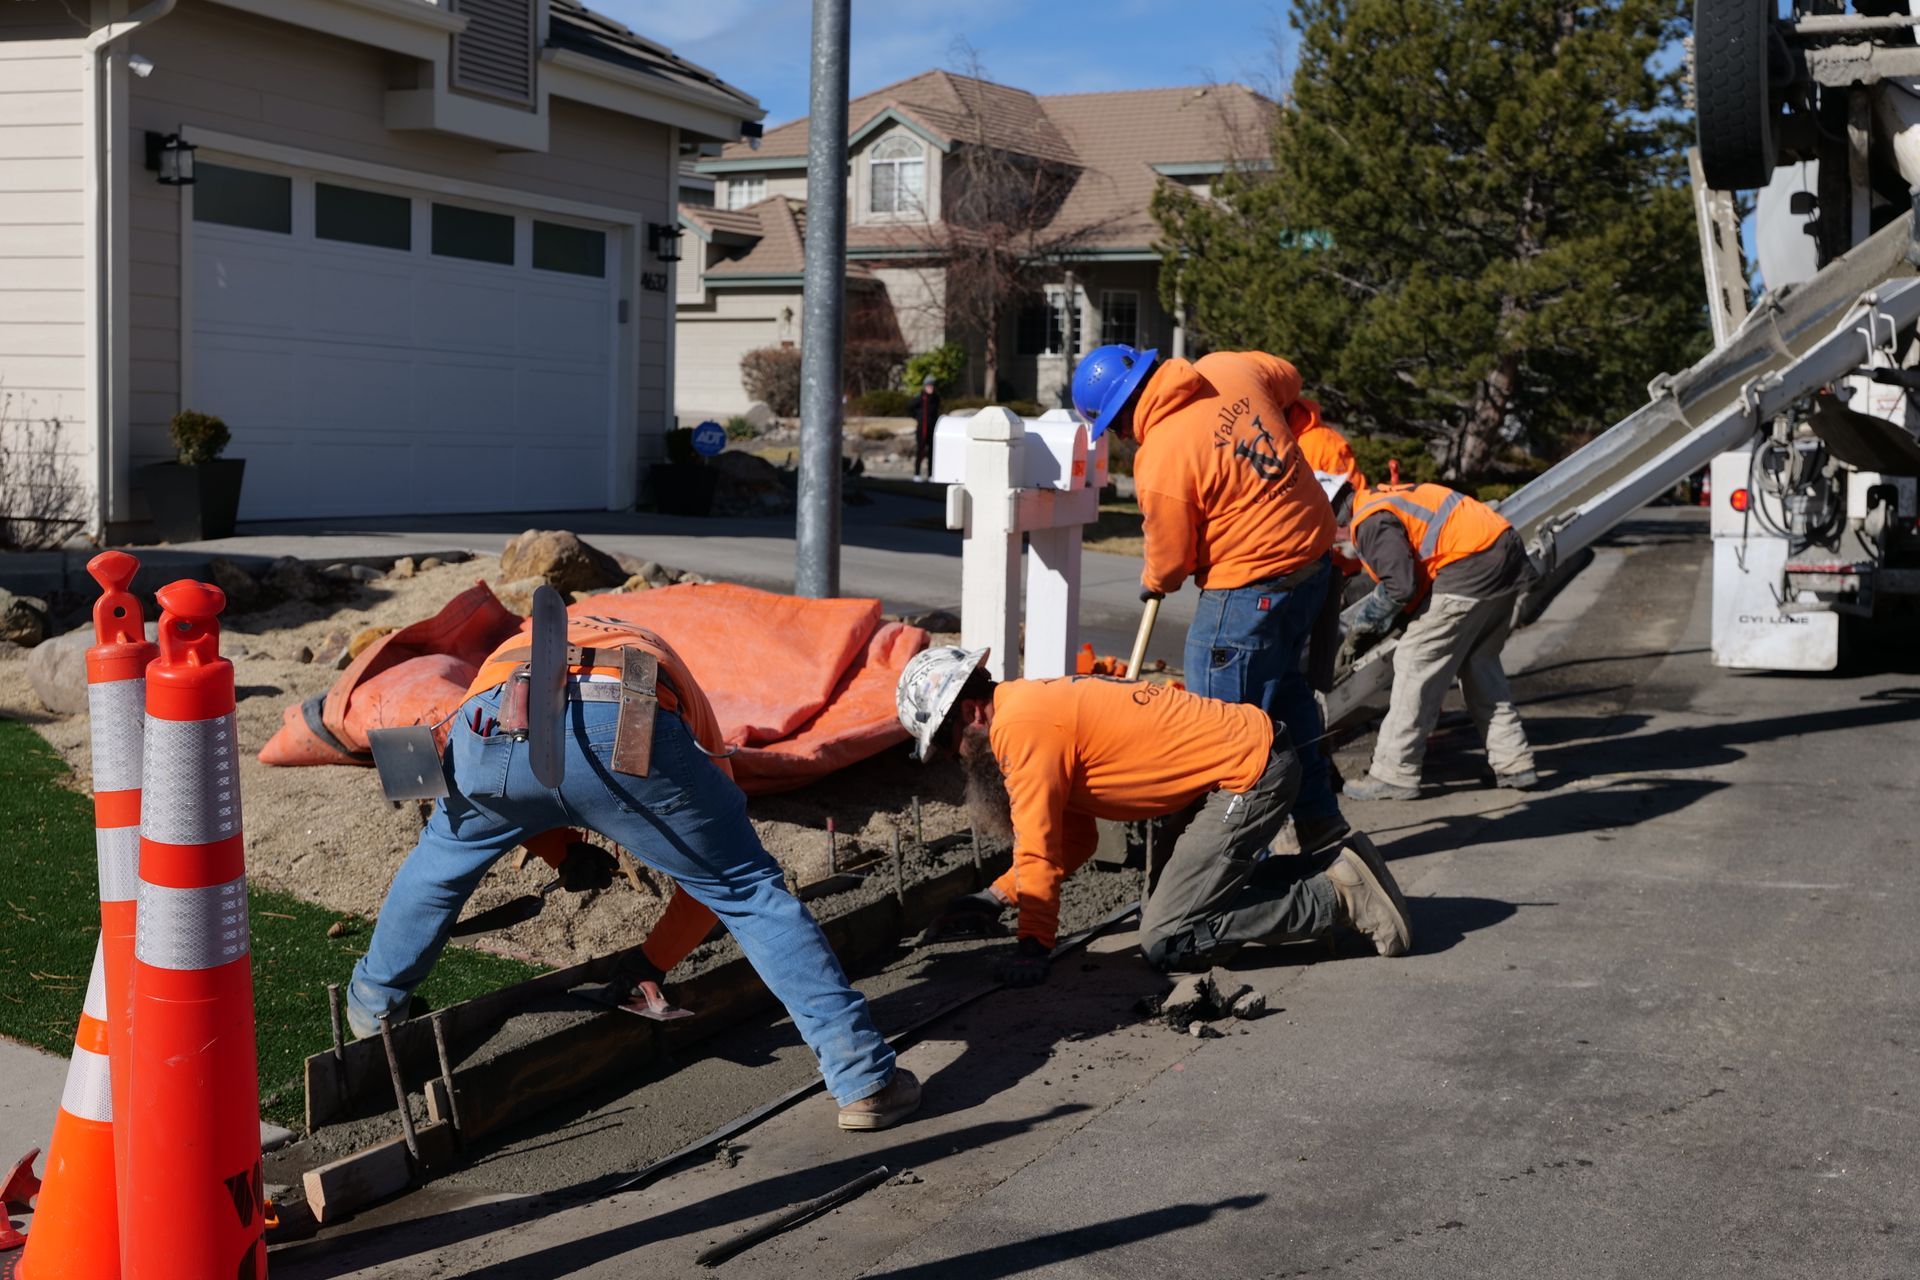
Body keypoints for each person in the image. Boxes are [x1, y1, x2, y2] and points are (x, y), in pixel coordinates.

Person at [348, 612, 920, 1131]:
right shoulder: (674, 676)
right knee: (746, 889)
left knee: (440, 863)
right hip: (627, 708)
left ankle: (372, 1009)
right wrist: (652, 960)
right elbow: (713, 885)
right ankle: (864, 1080)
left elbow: (518, 780)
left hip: (496, 713)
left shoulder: (516, 644)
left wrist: (563, 851)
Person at [896, 647, 1412, 985]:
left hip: (1248, 774)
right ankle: (1333, 868)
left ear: (969, 713)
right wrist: (994, 897)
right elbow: (1073, 841)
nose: (954, 757)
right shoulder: (1027, 707)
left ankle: (1339, 898)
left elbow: (1037, 849)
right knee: (1170, 909)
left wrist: (1033, 946)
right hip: (1241, 766)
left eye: (947, 744)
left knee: (1167, 937)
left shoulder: (1019, 730)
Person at [1070, 344, 1348, 853]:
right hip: (1313, 561)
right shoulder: (1227, 368)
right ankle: (1319, 820)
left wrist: (1154, 580)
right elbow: (1289, 376)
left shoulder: (1161, 456)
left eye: (1115, 427)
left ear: (1125, 412)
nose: (1124, 437)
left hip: (1252, 585)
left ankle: (1238, 863)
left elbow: (1171, 559)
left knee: (1218, 731)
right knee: (1286, 691)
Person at [1337, 480, 1540, 800]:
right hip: (1505, 558)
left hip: (1471, 566)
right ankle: (1514, 762)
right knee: (1479, 665)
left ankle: (1394, 773)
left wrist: (1362, 628)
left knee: (1415, 662)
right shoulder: (1385, 498)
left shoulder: (1370, 520)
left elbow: (1400, 587)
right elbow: (1416, 576)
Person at [905, 376, 942, 479]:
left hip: (932, 428)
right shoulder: (920, 398)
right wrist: (917, 417)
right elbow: (909, 407)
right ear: (925, 387)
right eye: (929, 386)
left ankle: (930, 474)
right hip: (922, 428)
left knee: (931, 452)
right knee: (920, 451)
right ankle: (917, 474)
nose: (931, 388)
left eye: (932, 386)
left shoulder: (936, 398)